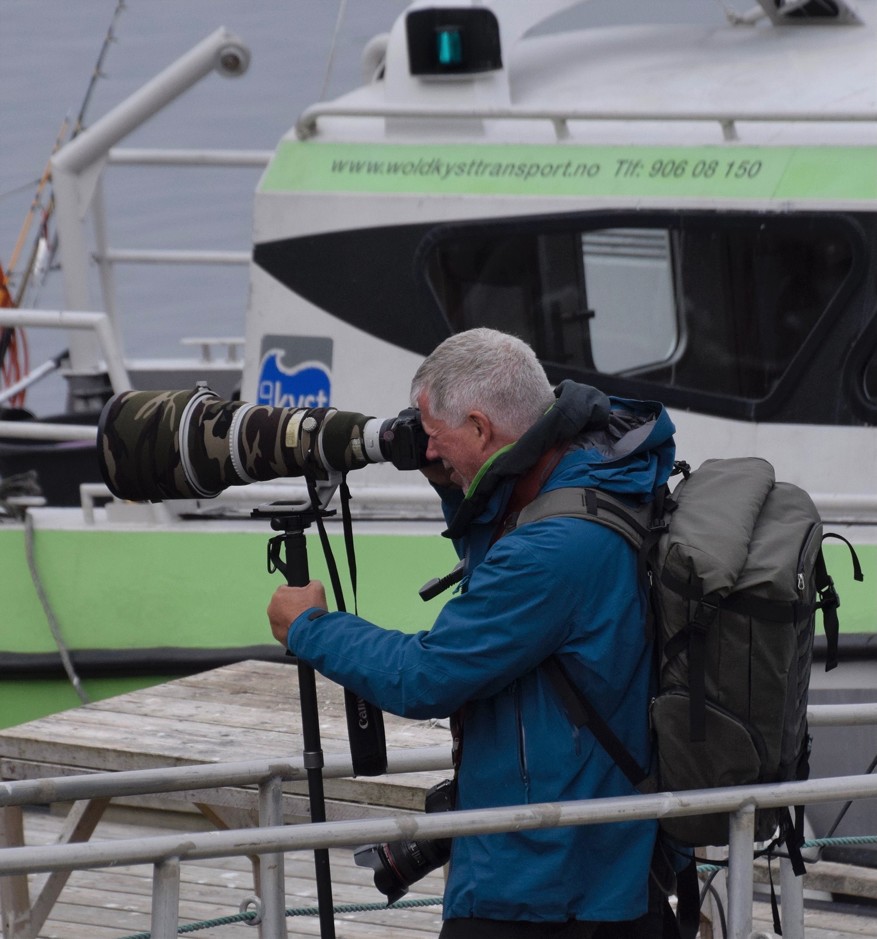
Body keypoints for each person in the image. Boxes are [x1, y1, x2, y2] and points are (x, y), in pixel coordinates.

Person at [268, 328, 677, 938]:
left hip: (541, 885)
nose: (430, 451)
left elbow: (426, 677)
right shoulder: (591, 479)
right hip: (606, 862)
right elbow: (502, 560)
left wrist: (309, 628)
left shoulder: (553, 550)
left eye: (436, 438)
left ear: (482, 428)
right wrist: (450, 480)